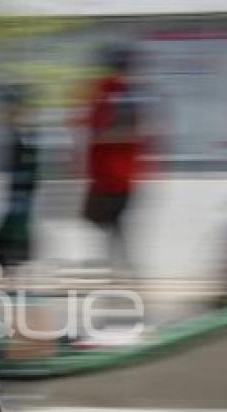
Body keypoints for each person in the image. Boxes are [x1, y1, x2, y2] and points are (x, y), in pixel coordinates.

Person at [79, 44, 147, 276]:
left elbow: (103, 130)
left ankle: (120, 264)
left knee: (109, 218)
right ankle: (121, 264)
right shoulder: (119, 92)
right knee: (107, 218)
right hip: (115, 170)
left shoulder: (112, 92)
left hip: (112, 170)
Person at [0, 84, 39, 270]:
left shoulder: (24, 133)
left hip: (22, 186)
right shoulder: (8, 133)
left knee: (17, 219)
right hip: (15, 186)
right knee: (12, 220)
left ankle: (5, 256)